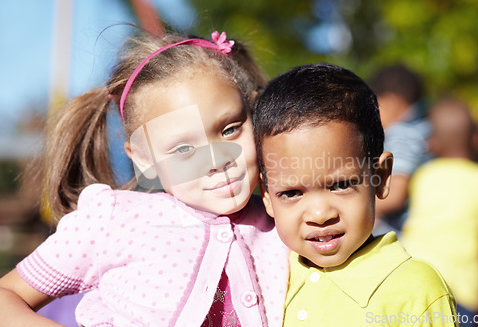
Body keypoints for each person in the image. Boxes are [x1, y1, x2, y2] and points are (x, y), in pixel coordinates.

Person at [0, 30, 289, 326]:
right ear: (143, 158)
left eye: (229, 130)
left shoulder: (287, 219)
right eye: (184, 149)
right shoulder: (113, 222)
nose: (217, 160)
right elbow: (6, 296)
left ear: (256, 116)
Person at [253, 62, 458, 326]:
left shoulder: (415, 289)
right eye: (291, 193)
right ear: (267, 196)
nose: (320, 214)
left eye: (340, 185)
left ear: (381, 178)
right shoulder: (266, 279)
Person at [400, 97, 478, 326]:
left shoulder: (423, 175)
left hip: (415, 274)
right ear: (476, 140)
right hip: (459, 288)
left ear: (431, 143)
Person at [369, 65, 432, 235]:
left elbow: (395, 194)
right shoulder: (425, 129)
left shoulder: (403, 134)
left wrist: (357, 203)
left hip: (403, 233)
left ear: (392, 101)